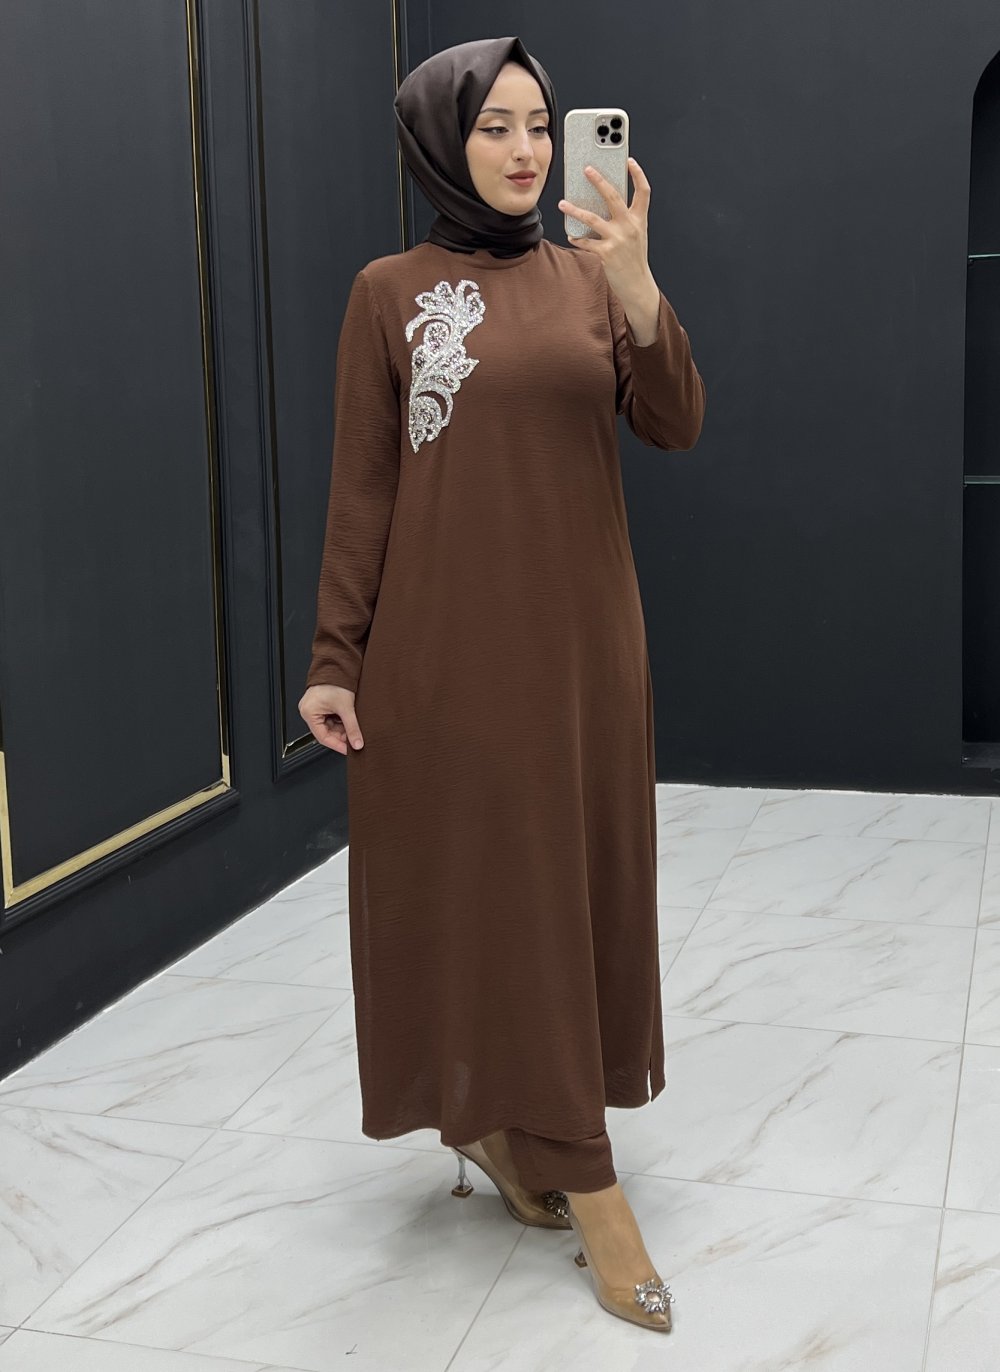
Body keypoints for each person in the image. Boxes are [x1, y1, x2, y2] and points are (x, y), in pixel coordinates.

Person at [298, 36, 705, 1334]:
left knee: (574, 891)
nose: (528, 150)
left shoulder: (594, 277)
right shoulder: (389, 293)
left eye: (541, 124)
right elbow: (365, 485)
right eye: (496, 127)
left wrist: (638, 284)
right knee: (496, 897)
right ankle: (586, 1176)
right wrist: (335, 657)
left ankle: (510, 1127)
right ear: (441, 141)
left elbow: (677, 420)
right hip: (447, 658)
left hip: (584, 649)